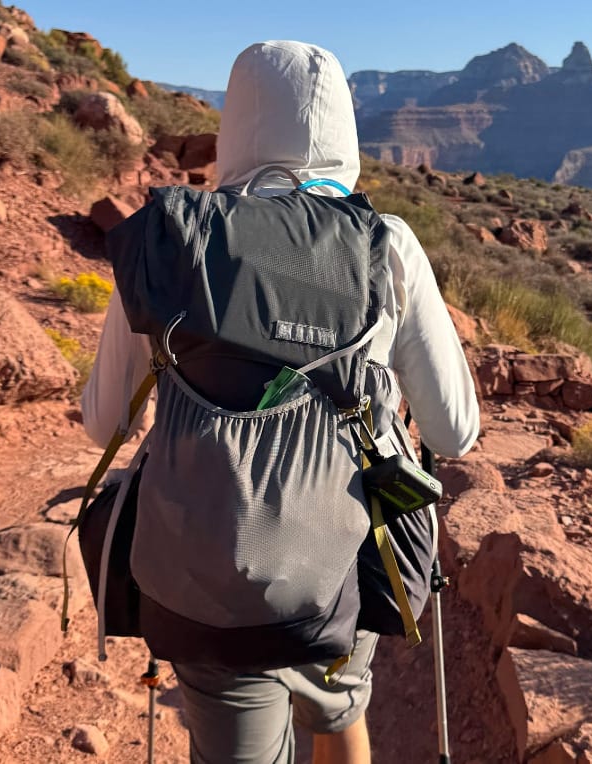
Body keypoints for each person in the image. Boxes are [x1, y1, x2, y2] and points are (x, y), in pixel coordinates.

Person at [81, 40, 479, 764]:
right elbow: (454, 433)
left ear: (235, 124)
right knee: (337, 711)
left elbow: (102, 422)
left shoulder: (170, 241)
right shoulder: (386, 243)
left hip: (199, 566)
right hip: (337, 569)